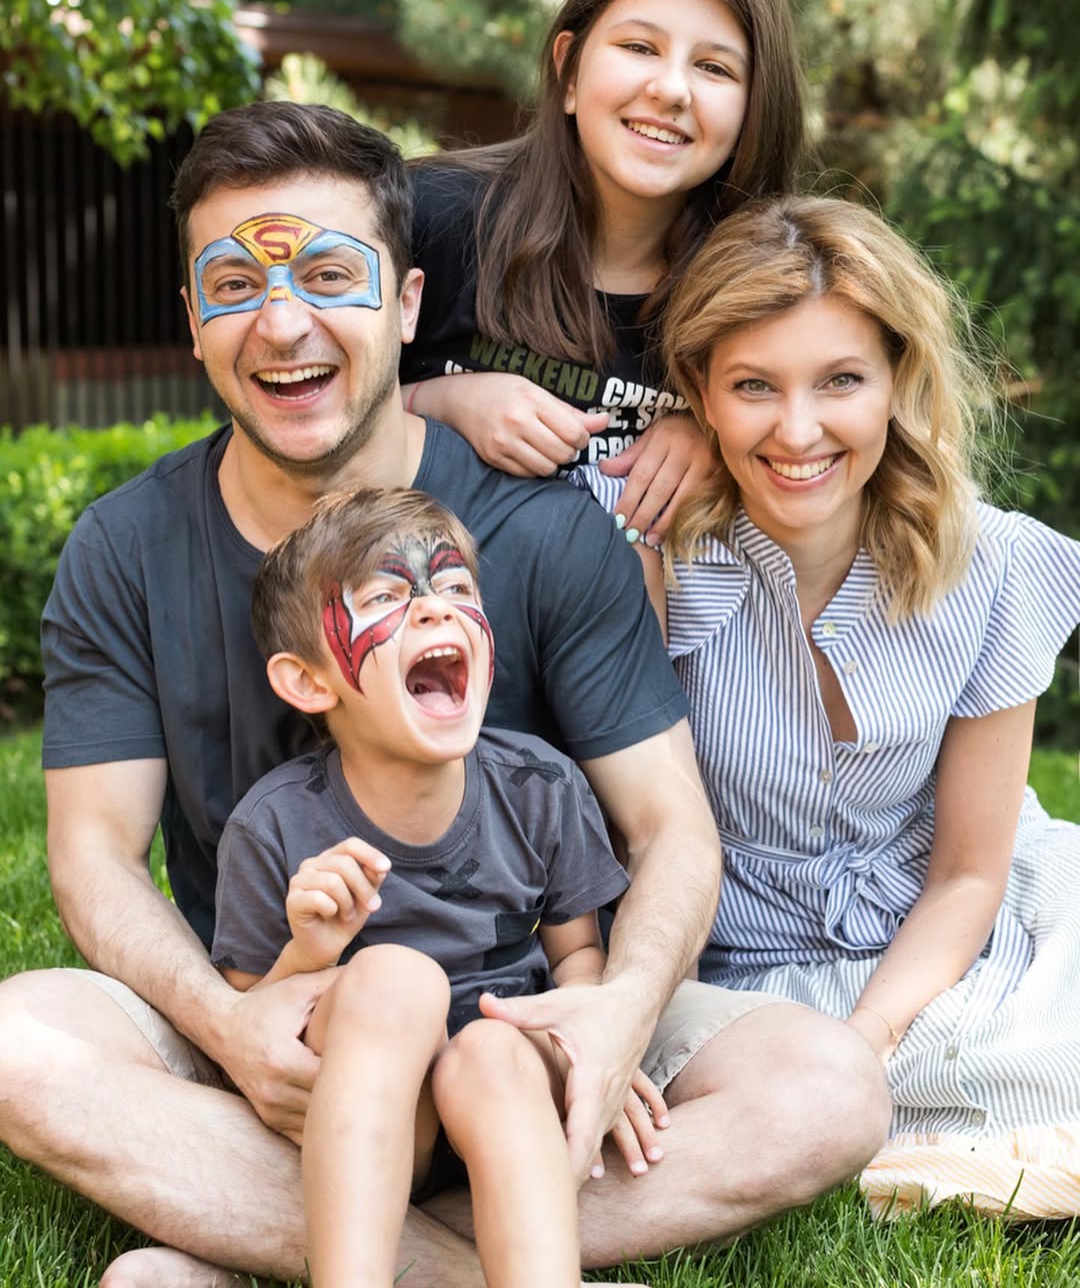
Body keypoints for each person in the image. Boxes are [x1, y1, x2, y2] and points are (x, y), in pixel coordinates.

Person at [0, 103, 889, 1288]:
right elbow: (93, 858)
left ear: (409, 306)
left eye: (328, 275)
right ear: (194, 325)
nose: (282, 324)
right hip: (278, 1008)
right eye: (233, 285)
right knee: (15, 1045)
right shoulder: (127, 546)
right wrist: (230, 1029)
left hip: (529, 1030)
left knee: (826, 1091)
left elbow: (672, 825)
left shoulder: (550, 535)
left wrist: (617, 1012)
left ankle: (294, 1252)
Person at [576, 193, 1080, 1218]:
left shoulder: (993, 564)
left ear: (896, 377)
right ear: (697, 394)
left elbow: (969, 872)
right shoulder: (643, 544)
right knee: (760, 1083)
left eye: (841, 381)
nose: (798, 431)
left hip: (934, 944)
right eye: (754, 386)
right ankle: (928, 1137)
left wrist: (867, 1043)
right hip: (731, 962)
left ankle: (899, 1118)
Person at [214, 485, 662, 1287]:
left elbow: (577, 961)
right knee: (395, 979)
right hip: (377, 1114)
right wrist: (310, 952)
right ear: (311, 682)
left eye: (456, 589)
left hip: (510, 1091)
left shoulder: (542, 787)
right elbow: (247, 1029)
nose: (435, 611)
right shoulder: (273, 827)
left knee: (489, 1053)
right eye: (387, 596)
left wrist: (595, 1049)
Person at [401, 0, 807, 544]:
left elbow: (827, 433)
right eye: (639, 47)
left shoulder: (770, 285)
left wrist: (723, 433)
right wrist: (439, 402)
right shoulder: (431, 215)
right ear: (569, 69)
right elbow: (307, 412)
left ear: (756, 105)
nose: (672, 90)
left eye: (714, 68)